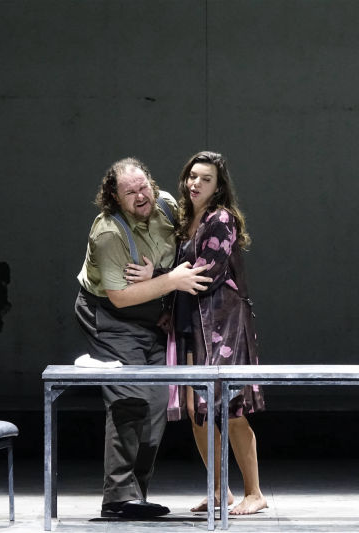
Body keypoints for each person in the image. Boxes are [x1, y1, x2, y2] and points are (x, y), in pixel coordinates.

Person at [74, 157, 213, 519]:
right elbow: (120, 296)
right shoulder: (109, 233)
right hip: (111, 317)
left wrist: (167, 299)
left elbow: (181, 256)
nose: (140, 196)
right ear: (114, 199)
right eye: (129, 192)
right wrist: (169, 282)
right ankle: (117, 496)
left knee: (158, 402)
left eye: (143, 187)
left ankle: (135, 494)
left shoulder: (166, 206)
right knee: (131, 398)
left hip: (151, 317)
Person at [166, 151, 267, 515]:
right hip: (191, 323)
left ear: (218, 186)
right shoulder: (184, 220)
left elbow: (205, 274)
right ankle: (220, 490)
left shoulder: (220, 219)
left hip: (222, 326)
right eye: (192, 176)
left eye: (205, 179)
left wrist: (158, 279)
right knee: (198, 411)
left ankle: (254, 492)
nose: (196, 183)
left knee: (231, 408)